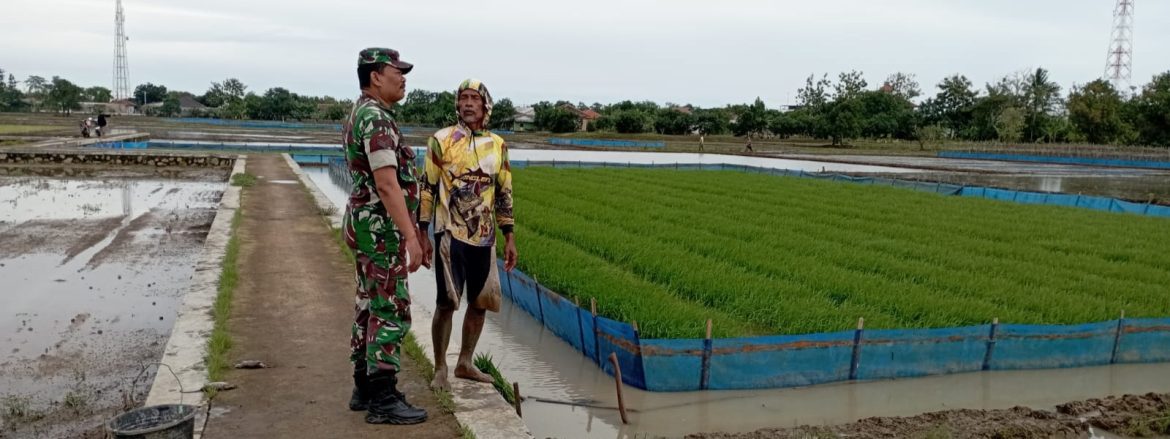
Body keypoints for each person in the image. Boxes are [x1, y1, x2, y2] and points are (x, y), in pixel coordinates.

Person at [342, 47, 428, 425]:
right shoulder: (376, 118)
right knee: (390, 308)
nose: (404, 77)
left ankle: (364, 387)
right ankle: (383, 399)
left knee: (369, 304)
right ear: (376, 76)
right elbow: (387, 183)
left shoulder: (362, 111)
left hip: (366, 226)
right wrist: (411, 236)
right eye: (398, 71)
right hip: (381, 231)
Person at [419, 79, 517, 391]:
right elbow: (428, 188)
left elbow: (504, 192)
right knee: (447, 302)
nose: (468, 103)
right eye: (464, 98)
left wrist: (509, 235)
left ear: (486, 105)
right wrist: (423, 232)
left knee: (480, 302)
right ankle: (439, 368)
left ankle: (465, 362)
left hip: (485, 238)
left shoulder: (498, 145)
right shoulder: (442, 140)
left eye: (475, 98)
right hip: (450, 234)